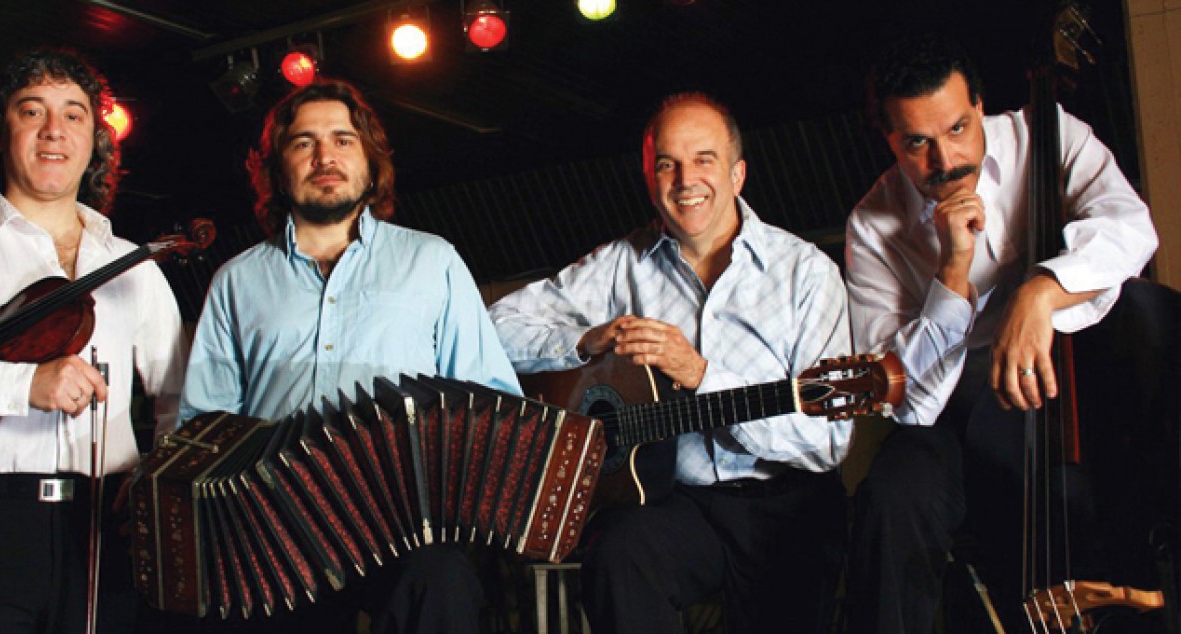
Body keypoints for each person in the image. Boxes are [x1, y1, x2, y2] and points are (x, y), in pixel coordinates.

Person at [489, 92, 852, 634]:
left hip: (790, 506)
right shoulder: (619, 264)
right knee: (621, 553)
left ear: (737, 174)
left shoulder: (806, 273)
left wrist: (702, 375)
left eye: (704, 159)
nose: (686, 179)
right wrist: (585, 339)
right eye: (667, 164)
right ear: (649, 177)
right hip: (681, 505)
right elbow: (493, 327)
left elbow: (828, 442)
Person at [179, 77, 521, 634]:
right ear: (276, 168)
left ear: (370, 160)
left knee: (443, 580)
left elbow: (494, 404)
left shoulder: (432, 261)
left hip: (410, 525)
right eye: (303, 142)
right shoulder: (235, 282)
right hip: (276, 530)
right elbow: (203, 426)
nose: (324, 156)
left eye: (342, 140)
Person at [843, 34, 1159, 633]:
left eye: (959, 128)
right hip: (952, 409)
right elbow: (900, 392)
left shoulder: (1049, 134)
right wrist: (952, 272)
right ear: (891, 141)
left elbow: (1131, 227)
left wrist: (1040, 291)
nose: (946, 161)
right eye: (918, 143)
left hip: (1068, 378)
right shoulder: (871, 224)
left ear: (981, 106)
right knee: (892, 495)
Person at [0, 49, 188, 633]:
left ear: (95, 141)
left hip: (106, 533)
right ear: (1, 135)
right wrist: (23, 382)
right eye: (33, 111)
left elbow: (180, 398)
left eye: (74, 114)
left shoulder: (134, 266)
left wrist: (152, 489)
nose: (55, 130)